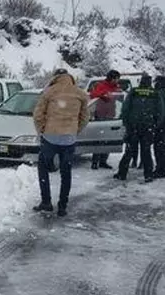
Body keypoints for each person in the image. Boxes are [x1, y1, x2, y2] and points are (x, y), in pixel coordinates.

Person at [32, 69, 90, 217]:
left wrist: (42, 130)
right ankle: (62, 206)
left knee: (43, 167)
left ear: (55, 77)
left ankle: (46, 202)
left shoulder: (49, 92)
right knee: (66, 172)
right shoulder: (80, 93)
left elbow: (38, 115)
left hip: (50, 137)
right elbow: (85, 117)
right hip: (69, 139)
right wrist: (74, 130)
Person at [113, 74, 164, 183]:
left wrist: (126, 123)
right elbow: (160, 111)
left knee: (129, 151)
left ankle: (122, 173)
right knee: (146, 151)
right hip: (148, 127)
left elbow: (125, 108)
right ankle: (148, 175)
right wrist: (155, 125)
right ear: (150, 83)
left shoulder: (134, 91)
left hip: (133, 126)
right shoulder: (155, 93)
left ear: (141, 81)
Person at [88, 69, 122, 170]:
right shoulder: (101, 85)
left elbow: (119, 98)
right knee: (99, 139)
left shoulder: (116, 87)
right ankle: (95, 161)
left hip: (111, 115)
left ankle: (103, 161)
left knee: (109, 139)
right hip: (100, 115)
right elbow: (93, 95)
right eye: (116, 79)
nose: (117, 81)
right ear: (112, 78)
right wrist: (105, 95)